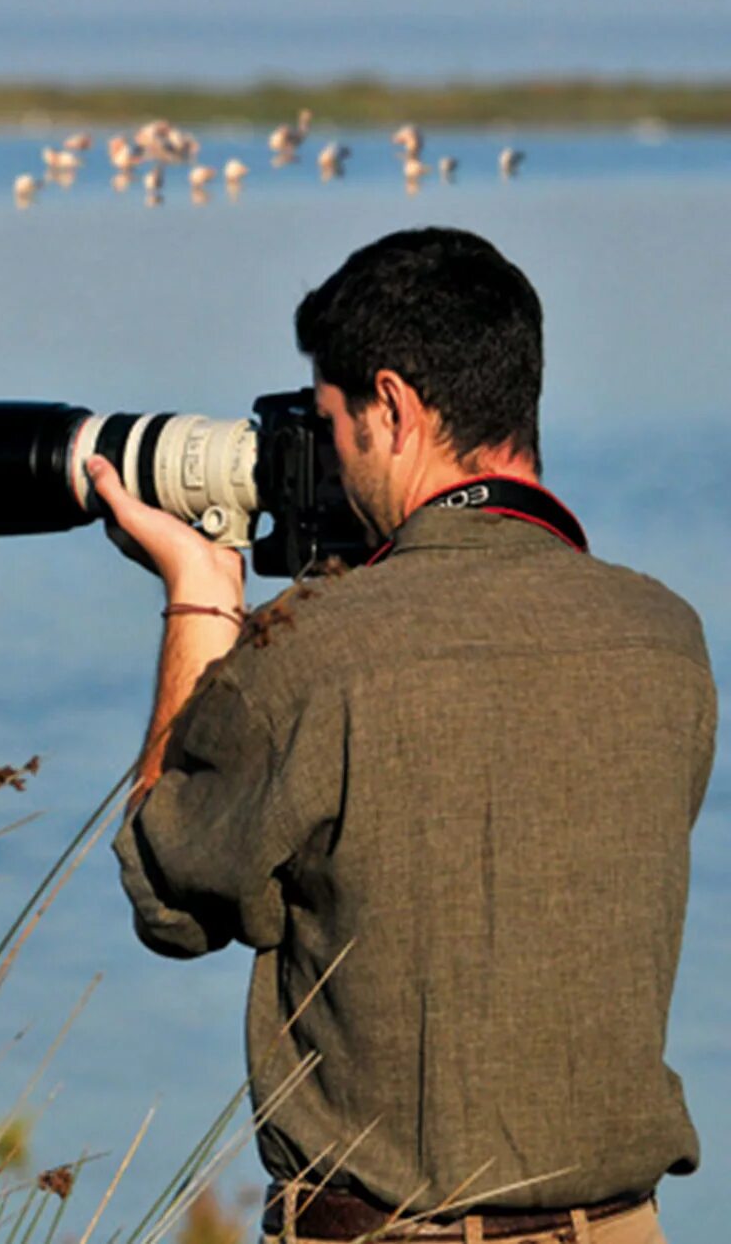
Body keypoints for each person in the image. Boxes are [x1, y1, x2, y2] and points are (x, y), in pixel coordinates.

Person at [98, 228, 712, 1244]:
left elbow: (172, 900)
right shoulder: (665, 639)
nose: (328, 458)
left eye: (331, 423)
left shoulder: (318, 655)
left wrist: (199, 604)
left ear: (392, 407)